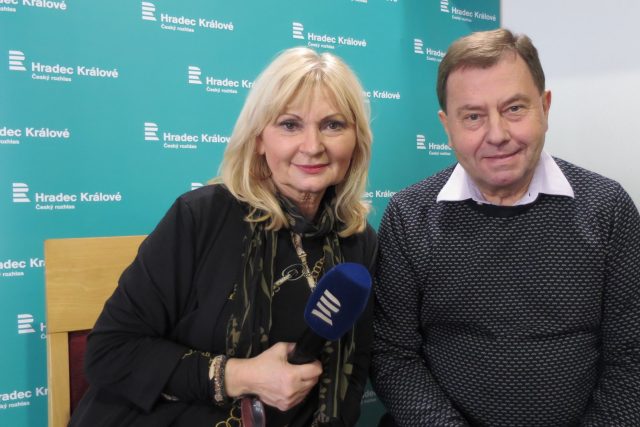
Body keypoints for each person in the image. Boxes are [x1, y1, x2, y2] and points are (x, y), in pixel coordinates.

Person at [70, 47, 377, 427]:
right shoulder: (201, 217)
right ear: (259, 138)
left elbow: (354, 370)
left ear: (356, 140)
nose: (313, 146)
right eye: (289, 125)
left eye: (333, 125)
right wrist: (242, 376)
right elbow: (109, 353)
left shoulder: (358, 241)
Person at [370, 28, 640, 426]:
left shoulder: (607, 208)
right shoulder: (410, 215)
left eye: (514, 108)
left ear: (545, 108)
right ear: (447, 127)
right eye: (473, 117)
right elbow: (393, 355)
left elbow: (631, 356)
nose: (497, 135)